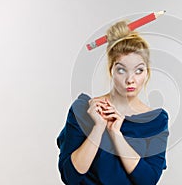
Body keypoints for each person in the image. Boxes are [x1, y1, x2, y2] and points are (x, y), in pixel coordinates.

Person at [56, 20, 170, 185]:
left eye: (139, 70)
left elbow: (148, 181)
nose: (130, 80)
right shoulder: (84, 110)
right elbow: (69, 176)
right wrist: (98, 128)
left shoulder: (155, 121)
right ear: (111, 70)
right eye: (122, 70)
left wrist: (116, 134)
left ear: (147, 72)